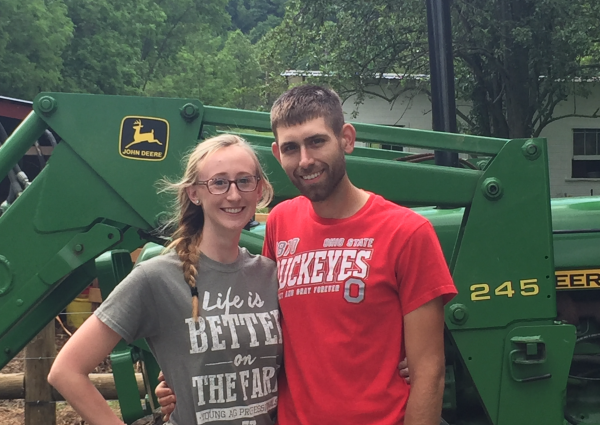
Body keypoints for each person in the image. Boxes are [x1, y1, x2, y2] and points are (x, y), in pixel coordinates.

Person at [159, 84, 457, 425]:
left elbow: (429, 373)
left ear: (346, 138)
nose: (305, 161)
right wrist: (183, 375)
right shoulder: (281, 223)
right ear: (276, 152)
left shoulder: (407, 232)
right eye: (291, 148)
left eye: (316, 141)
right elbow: (256, 329)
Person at [48, 134, 282, 425]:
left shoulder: (271, 275)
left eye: (244, 181)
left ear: (259, 189)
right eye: (219, 182)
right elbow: (66, 370)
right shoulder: (157, 278)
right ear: (195, 193)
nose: (234, 195)